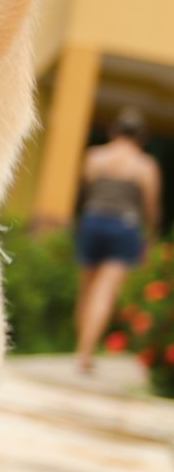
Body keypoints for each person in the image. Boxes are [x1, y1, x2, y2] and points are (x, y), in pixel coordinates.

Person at [74, 107, 162, 371]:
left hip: (93, 220)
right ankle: (85, 353)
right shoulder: (145, 165)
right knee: (105, 291)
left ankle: (81, 346)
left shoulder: (95, 156)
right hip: (124, 225)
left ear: (115, 130)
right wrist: (150, 238)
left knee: (86, 288)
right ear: (140, 137)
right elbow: (151, 208)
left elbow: (86, 189)